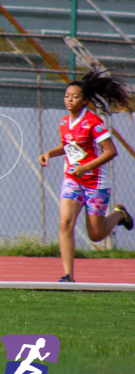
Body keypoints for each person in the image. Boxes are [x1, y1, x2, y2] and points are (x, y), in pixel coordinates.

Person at [38, 69, 134, 282]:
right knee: (65, 223)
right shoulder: (64, 122)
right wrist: (49, 154)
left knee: (95, 235)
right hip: (72, 180)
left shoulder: (93, 123)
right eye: (67, 96)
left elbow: (111, 151)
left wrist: (85, 167)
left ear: (85, 100)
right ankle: (67, 276)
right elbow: (67, 146)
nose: (69, 100)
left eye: (75, 97)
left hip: (95, 183)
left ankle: (119, 214)